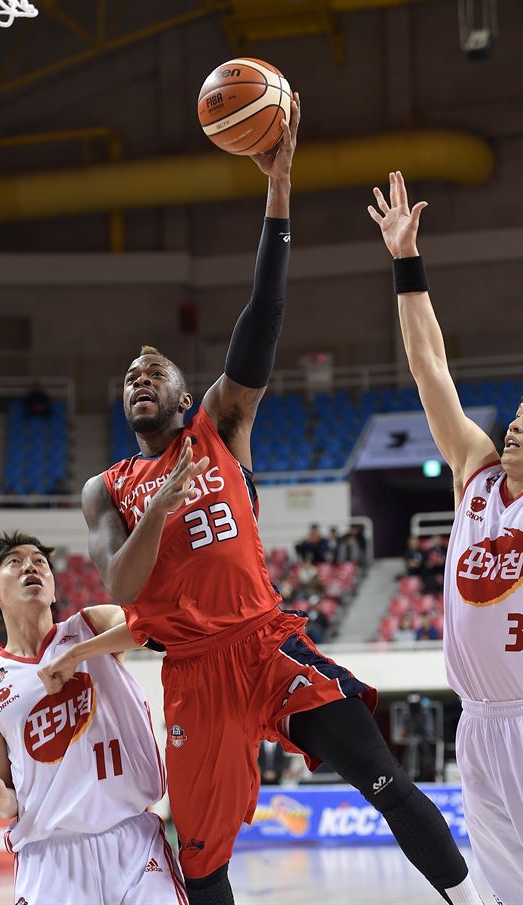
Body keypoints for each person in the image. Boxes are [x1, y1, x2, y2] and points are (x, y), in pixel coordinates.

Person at [42, 99, 483, 905]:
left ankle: (473, 899)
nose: (140, 380)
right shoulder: (104, 487)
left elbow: (264, 318)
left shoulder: (221, 426)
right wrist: (161, 505)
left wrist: (278, 196)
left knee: (379, 774)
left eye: (156, 374)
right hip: (192, 674)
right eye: (129, 379)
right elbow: (121, 588)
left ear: (185, 396)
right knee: (202, 858)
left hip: (264, 641)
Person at [369, 169, 523, 905]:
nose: (519, 420)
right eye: (520, 410)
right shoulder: (476, 472)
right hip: (479, 726)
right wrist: (407, 261)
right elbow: (430, 367)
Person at [0, 531, 185, 905]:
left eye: (40, 562)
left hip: (133, 841)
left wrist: (76, 655)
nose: (31, 566)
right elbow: (13, 798)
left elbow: (155, 626)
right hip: (51, 858)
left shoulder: (90, 626)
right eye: (15, 562)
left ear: (54, 590)